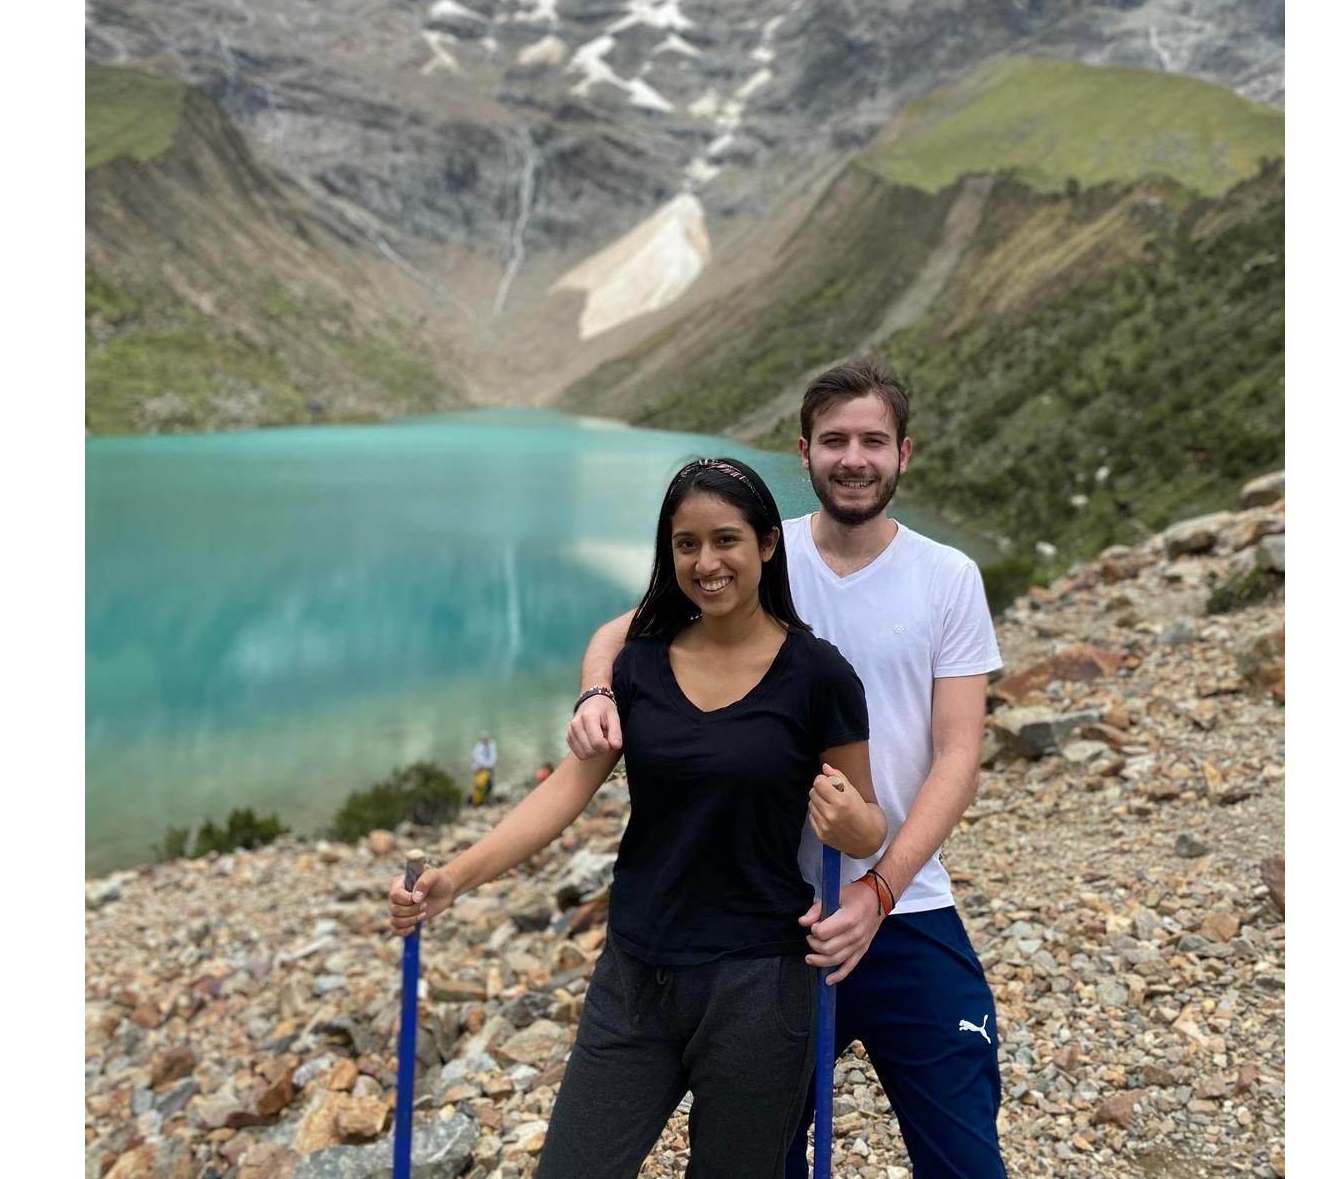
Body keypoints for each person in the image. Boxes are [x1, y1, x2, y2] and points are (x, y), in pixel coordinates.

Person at [390, 457, 887, 1179]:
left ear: (767, 545)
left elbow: (869, 825)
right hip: (635, 975)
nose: (706, 563)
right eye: (686, 544)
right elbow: (563, 793)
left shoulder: (819, 676)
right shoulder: (640, 666)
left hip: (759, 982)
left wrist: (849, 823)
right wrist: (452, 881)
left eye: (726, 540)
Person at [569, 360, 1007, 1179]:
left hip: (903, 904)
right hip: (772, 928)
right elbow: (622, 634)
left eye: (873, 440)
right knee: (762, 1156)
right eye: (834, 440)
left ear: (903, 453)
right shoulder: (759, 558)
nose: (854, 458)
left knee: (966, 1156)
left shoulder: (949, 578)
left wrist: (876, 893)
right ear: (802, 451)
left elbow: (958, 757)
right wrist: (597, 692)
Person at [468, 730, 497, 805]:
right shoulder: (478, 747)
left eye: (486, 738)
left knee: (489, 784)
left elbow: (493, 756)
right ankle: (478, 801)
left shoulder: (491, 745)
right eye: (483, 739)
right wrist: (485, 766)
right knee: (479, 785)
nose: (485, 740)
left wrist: (488, 766)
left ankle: (487, 799)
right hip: (480, 769)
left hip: (488, 768)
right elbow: (477, 758)